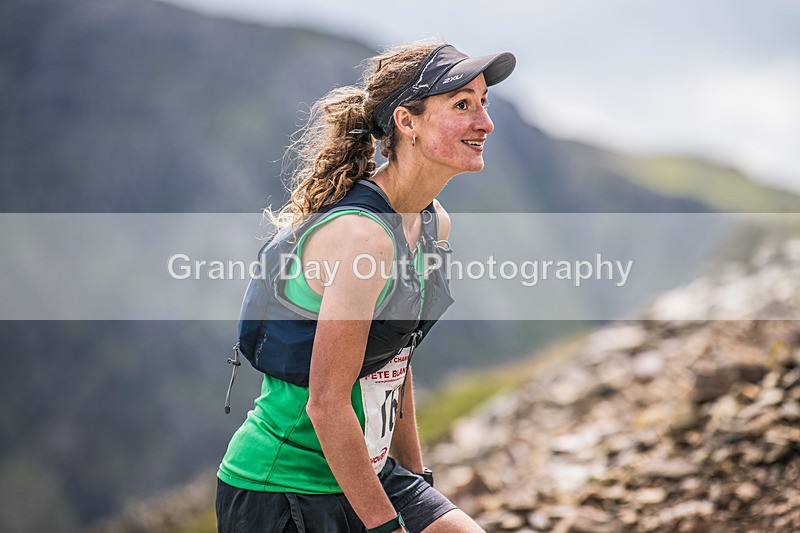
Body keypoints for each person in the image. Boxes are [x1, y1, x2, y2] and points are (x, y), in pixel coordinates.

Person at [217, 41, 516, 533]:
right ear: (407, 122)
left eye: (483, 102)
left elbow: (396, 356)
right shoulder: (365, 238)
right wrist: (386, 527)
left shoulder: (431, 222)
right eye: (462, 104)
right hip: (284, 488)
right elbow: (325, 403)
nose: (484, 122)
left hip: (367, 472)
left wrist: (416, 478)